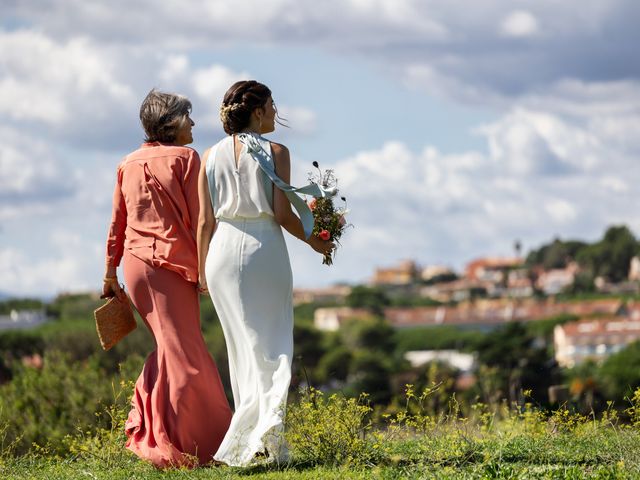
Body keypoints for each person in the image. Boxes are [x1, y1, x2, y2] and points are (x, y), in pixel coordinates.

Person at [197, 80, 332, 466]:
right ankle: (260, 440)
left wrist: (202, 269)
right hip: (262, 249)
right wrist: (314, 241)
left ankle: (258, 441)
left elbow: (204, 222)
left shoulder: (209, 155)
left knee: (242, 349)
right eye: (272, 105)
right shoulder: (276, 151)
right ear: (257, 111)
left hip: (221, 254)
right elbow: (282, 213)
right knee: (273, 346)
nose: (276, 112)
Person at [103, 89, 232, 468]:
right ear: (172, 122)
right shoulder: (186, 157)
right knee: (185, 354)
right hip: (170, 268)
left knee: (172, 350)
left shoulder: (127, 162)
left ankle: (156, 428)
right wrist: (209, 269)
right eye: (188, 117)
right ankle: (202, 445)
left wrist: (110, 273)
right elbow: (200, 220)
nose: (193, 124)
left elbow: (117, 223)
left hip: (136, 268)